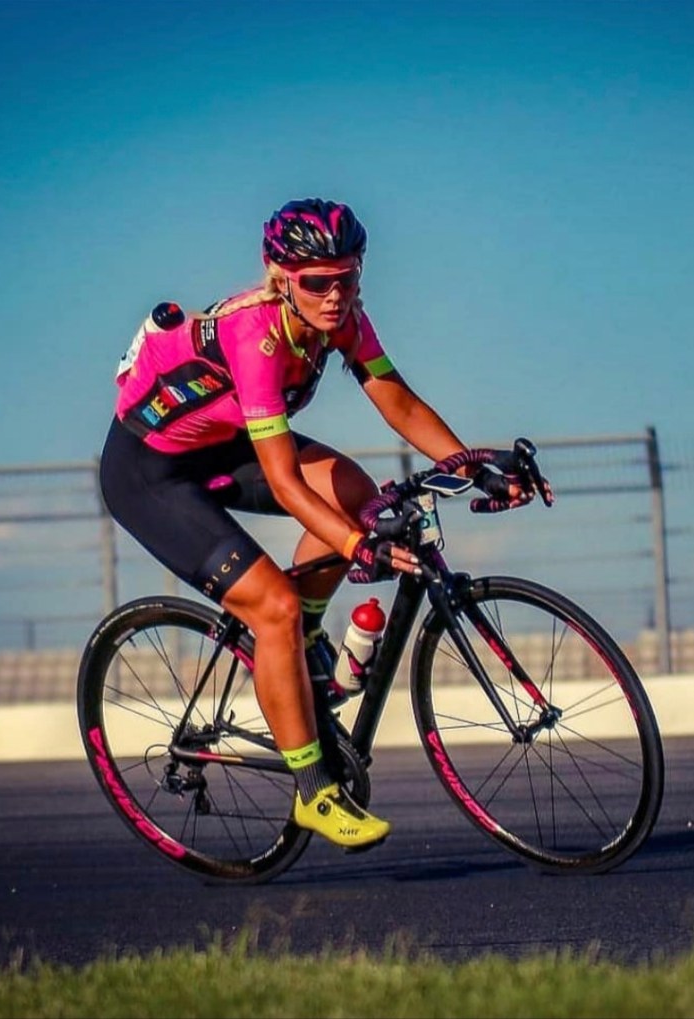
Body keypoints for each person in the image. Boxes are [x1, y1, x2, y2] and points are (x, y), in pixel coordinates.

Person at [99, 197, 548, 851]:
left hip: (222, 446)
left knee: (357, 491)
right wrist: (355, 544)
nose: (335, 296)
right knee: (274, 606)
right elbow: (285, 483)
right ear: (280, 278)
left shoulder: (342, 318)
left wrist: (474, 465)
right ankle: (314, 792)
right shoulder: (256, 337)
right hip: (150, 472)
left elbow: (397, 400)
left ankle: (305, 644)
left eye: (348, 277)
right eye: (317, 282)